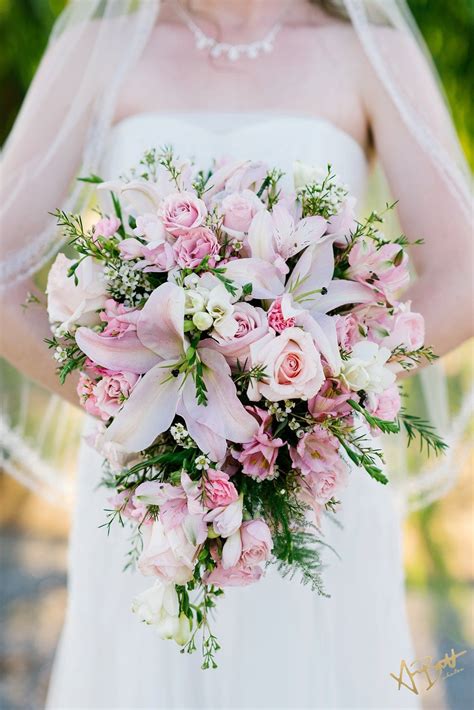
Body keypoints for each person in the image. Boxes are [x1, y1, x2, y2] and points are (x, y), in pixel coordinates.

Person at [0, 1, 471, 708]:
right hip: (152, 487)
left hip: (315, 479)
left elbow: (464, 269)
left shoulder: (368, 52)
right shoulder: (100, 47)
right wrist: (139, 407)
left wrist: (319, 394)